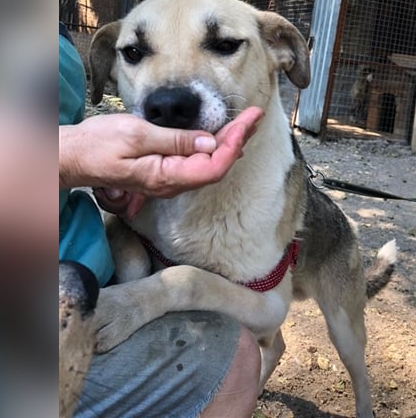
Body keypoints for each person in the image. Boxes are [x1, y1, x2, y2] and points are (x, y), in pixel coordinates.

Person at [59, 24, 264, 418]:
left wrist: (105, 177)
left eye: (222, 46)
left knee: (234, 349)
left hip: (84, 276)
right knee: (234, 360)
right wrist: (69, 155)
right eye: (135, 53)